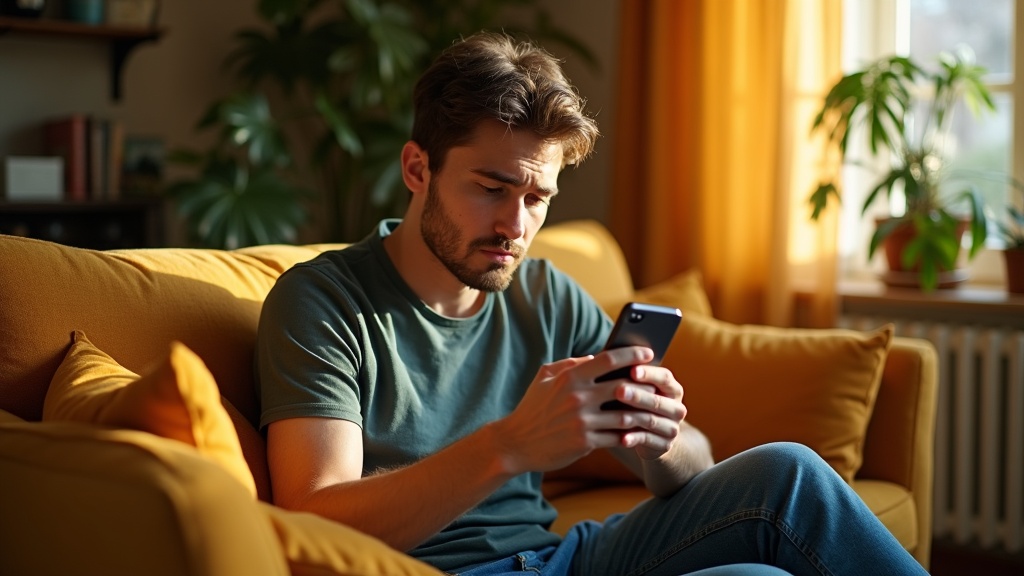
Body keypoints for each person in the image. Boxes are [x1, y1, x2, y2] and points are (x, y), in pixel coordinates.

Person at [255, 31, 928, 576]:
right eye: (492, 187)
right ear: (416, 169)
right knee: (771, 529)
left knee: (777, 505)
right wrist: (509, 446)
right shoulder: (323, 303)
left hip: (563, 559)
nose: (515, 226)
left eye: (537, 198)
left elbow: (689, 467)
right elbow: (315, 520)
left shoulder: (545, 296)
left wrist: (662, 440)